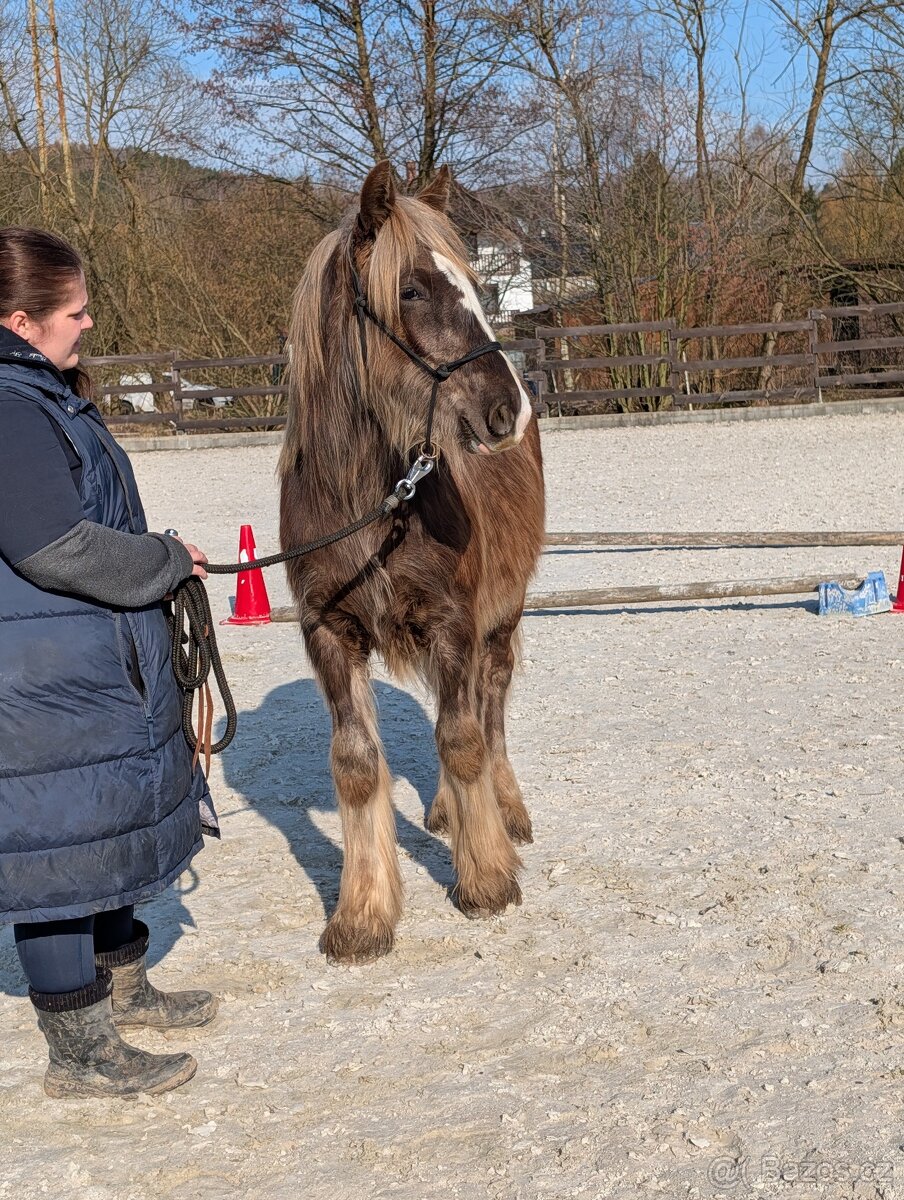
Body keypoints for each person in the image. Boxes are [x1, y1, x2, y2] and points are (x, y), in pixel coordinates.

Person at [0, 227, 219, 1099]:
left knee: (109, 822)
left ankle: (123, 989)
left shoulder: (40, 393)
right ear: (22, 320)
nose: (88, 324)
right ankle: (79, 1051)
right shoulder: (10, 409)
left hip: (86, 661)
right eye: (75, 312)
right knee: (57, 851)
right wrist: (164, 561)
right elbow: (55, 545)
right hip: (42, 676)